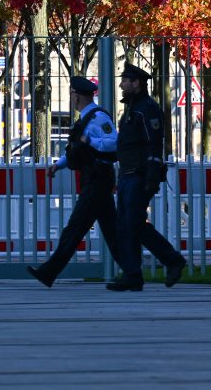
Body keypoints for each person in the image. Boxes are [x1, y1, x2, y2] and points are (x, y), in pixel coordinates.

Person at [26, 76, 118, 287]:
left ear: (76, 97)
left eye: (72, 94)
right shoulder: (85, 119)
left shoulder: (97, 118)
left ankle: (49, 272)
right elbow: (78, 151)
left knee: (74, 228)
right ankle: (134, 272)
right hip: (93, 178)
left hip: (98, 179)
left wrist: (90, 140)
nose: (71, 98)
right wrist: (59, 165)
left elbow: (113, 143)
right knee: (112, 231)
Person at [107, 63, 185, 291]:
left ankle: (171, 260)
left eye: (125, 80)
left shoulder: (147, 109)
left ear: (136, 83)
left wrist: (151, 176)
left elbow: (154, 144)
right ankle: (133, 274)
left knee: (133, 223)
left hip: (139, 176)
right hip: (127, 175)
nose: (121, 84)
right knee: (125, 225)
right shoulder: (133, 109)